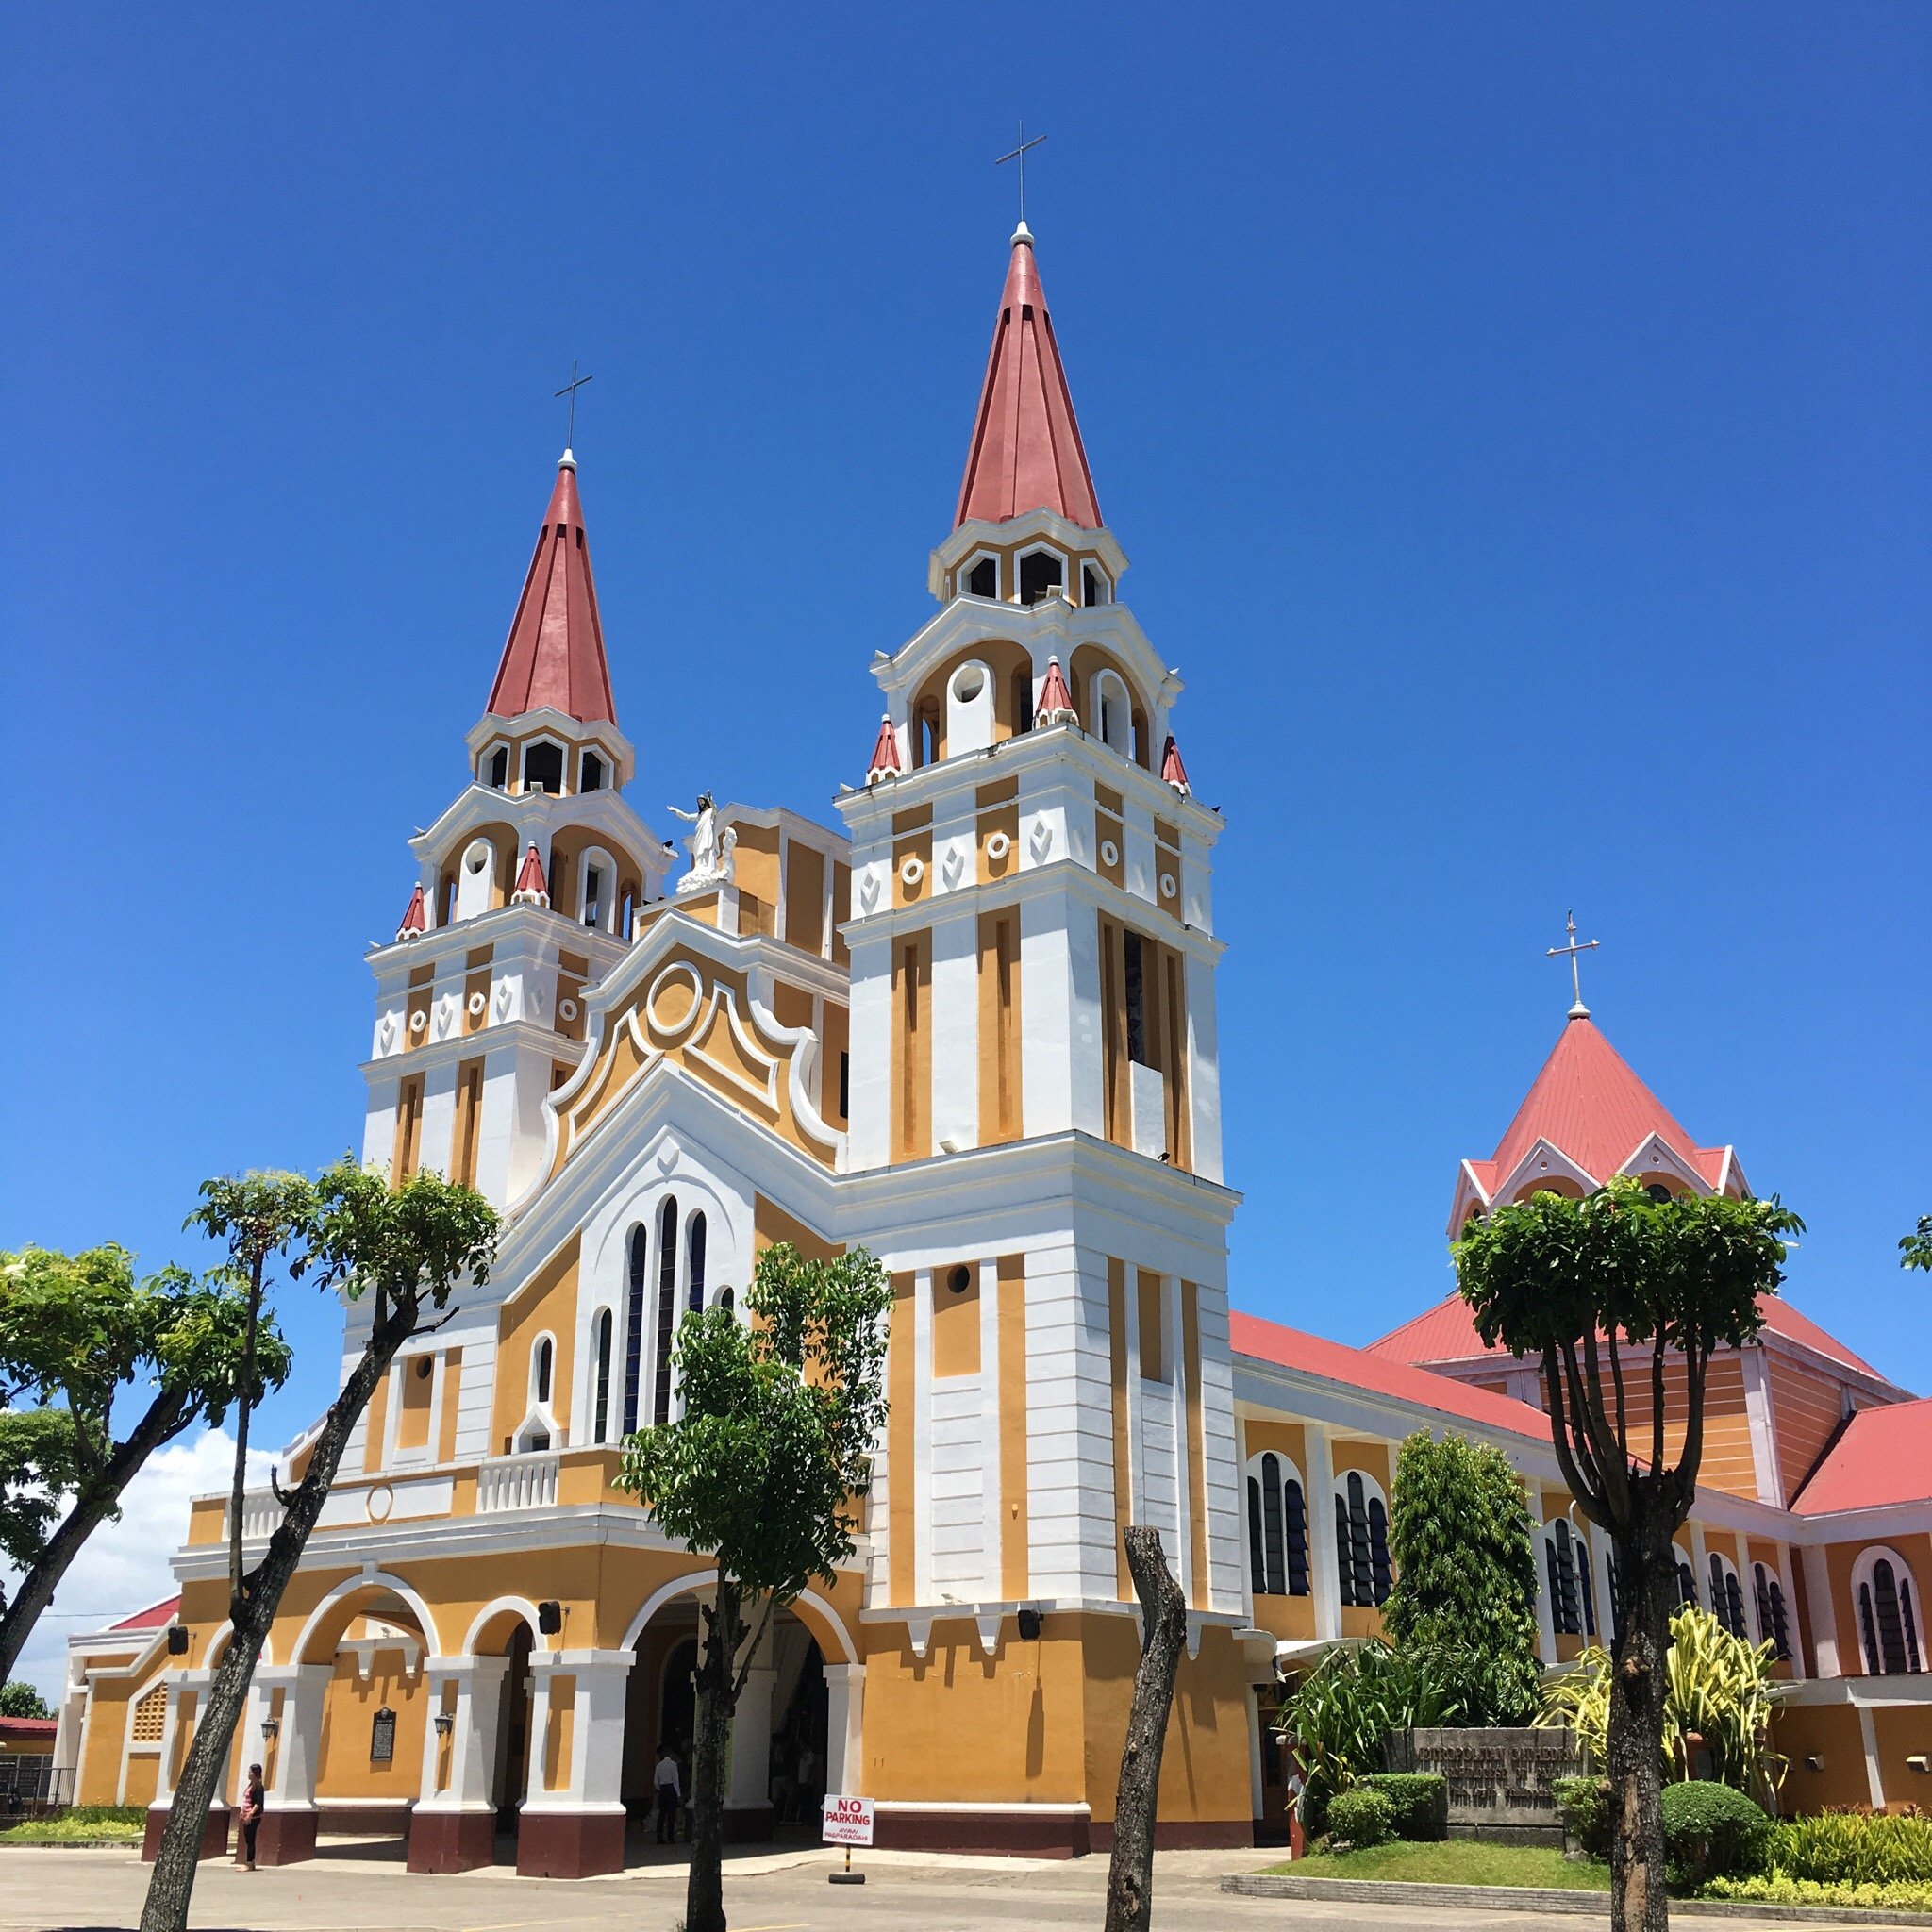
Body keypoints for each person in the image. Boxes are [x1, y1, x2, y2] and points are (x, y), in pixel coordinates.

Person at [652, 1741, 683, 1845]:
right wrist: (678, 1795)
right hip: (671, 1789)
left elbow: (656, 1781)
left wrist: (660, 1789)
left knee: (662, 1815)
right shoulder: (673, 1765)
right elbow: (676, 1781)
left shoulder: (659, 1766)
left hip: (663, 1790)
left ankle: (659, 1837)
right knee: (671, 1815)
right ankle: (670, 1838)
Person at [237, 1763, 266, 1870]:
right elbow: (246, 1800)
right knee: (248, 1839)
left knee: (250, 1840)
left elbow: (258, 1803)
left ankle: (250, 1863)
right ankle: (249, 1862)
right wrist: (242, 1811)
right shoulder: (250, 1785)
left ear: (255, 1774)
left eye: (250, 1772)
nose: (248, 1774)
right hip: (246, 1816)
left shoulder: (258, 1787)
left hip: (253, 1818)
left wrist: (250, 1814)